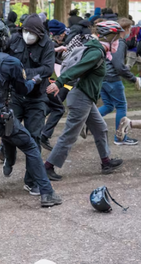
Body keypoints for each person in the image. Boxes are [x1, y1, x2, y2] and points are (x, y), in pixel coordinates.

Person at [0, 20, 62, 207]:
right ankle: (47, 193)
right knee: (31, 147)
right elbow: (23, 89)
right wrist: (33, 80)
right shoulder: (9, 62)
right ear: (2, 39)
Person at [44, 21, 124, 180]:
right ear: (109, 37)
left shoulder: (97, 49)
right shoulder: (96, 53)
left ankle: (106, 161)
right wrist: (59, 83)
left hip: (85, 96)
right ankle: (47, 167)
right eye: (117, 38)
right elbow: (77, 69)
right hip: (81, 97)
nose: (118, 42)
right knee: (69, 135)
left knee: (100, 127)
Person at [3, 14, 55, 195]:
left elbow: (47, 69)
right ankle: (9, 158)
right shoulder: (14, 39)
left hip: (36, 98)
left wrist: (25, 74)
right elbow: (3, 59)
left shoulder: (47, 44)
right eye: (25, 31)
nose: (28, 35)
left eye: (32, 32)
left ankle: (31, 180)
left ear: (39, 34)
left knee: (34, 139)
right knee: (8, 131)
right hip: (16, 96)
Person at [98, 18, 140, 145]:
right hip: (112, 79)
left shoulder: (108, 41)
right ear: (126, 29)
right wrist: (134, 79)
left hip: (102, 78)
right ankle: (120, 137)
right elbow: (119, 66)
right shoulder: (119, 43)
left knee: (109, 105)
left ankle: (87, 121)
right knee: (121, 106)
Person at [40, 19, 68, 151]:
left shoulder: (41, 38)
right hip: (42, 81)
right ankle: (44, 135)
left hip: (34, 81)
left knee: (29, 112)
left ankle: (3, 147)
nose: (63, 35)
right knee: (58, 108)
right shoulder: (47, 41)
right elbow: (47, 58)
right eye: (62, 33)